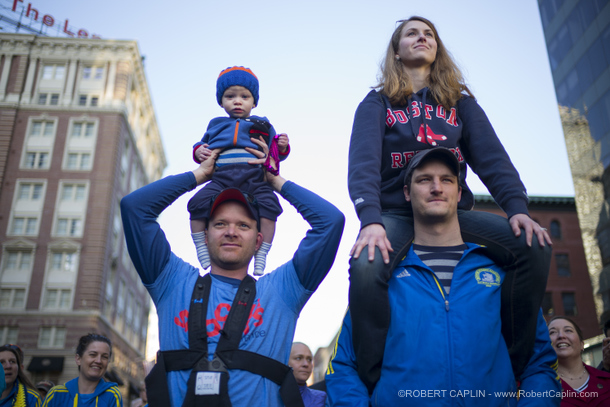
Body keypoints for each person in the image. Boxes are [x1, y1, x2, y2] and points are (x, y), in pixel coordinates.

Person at [347, 15, 553, 391]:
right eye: (412, 34)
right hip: (395, 213)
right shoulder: (377, 103)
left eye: (429, 34)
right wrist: (370, 220)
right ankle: (370, 374)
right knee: (365, 265)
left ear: (437, 48)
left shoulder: (460, 104)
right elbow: (362, 165)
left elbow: (494, 161)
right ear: (397, 49)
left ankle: (513, 360)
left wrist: (518, 210)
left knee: (532, 246)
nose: (421, 38)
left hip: (452, 214)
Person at [327, 147, 561, 406]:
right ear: (407, 192)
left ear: (459, 193)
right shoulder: (381, 276)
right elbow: (342, 366)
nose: (436, 187)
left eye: (447, 180)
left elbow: (539, 364)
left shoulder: (502, 274)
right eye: (424, 179)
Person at [120, 138, 344, 406]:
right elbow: (134, 209)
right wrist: (199, 175)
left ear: (259, 240)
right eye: (220, 223)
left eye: (243, 225)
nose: (231, 232)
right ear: (204, 235)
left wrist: (274, 180)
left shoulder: (283, 291)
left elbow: (330, 222)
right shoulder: (171, 281)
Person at [188, 66, 290, 276]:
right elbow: (201, 144)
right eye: (230, 96)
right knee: (196, 203)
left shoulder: (262, 124)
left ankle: (262, 252)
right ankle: (200, 244)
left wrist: (282, 147)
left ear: (254, 102)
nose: (237, 101)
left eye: (244, 96)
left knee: (270, 207)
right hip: (222, 178)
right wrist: (199, 151)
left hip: (254, 178)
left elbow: (274, 153)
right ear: (221, 101)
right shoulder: (215, 125)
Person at [42, 334, 122, 406]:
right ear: (78, 359)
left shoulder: (112, 395)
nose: (98, 361)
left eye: (104, 357)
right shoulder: (56, 394)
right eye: (93, 355)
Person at [548, 316, 610, 406]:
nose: (561, 336)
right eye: (552, 332)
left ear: (582, 344)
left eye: (568, 330)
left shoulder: (606, 379)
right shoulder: (536, 387)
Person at [288, 343, 326, 407]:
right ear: (285, 361)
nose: (306, 364)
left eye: (309, 359)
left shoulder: (322, 398)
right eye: (298, 358)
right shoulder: (270, 397)